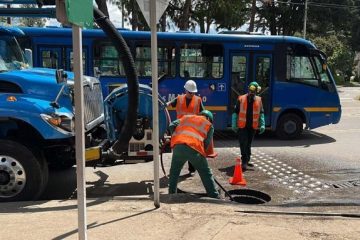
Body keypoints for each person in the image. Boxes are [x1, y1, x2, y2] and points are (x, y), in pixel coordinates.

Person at [168, 110, 220, 199]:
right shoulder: (209, 125)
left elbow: (171, 125)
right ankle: (214, 195)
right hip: (194, 149)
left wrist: (175, 136)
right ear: (209, 119)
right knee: (205, 173)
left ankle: (171, 194)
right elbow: (207, 143)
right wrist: (202, 153)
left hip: (178, 147)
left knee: (174, 172)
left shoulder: (186, 117)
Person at [167, 80, 205, 175]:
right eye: (190, 92)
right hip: (180, 130)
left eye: (193, 92)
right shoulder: (178, 98)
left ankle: (191, 169)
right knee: (179, 150)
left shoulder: (198, 100)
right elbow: (169, 104)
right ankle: (175, 170)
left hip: (192, 130)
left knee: (192, 149)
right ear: (185, 90)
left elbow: (202, 112)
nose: (191, 94)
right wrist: (165, 104)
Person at [232, 82, 265, 171]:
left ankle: (247, 159)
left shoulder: (259, 100)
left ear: (256, 92)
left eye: (253, 92)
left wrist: (262, 124)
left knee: (249, 144)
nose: (251, 93)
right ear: (248, 89)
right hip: (242, 126)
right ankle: (244, 161)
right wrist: (234, 124)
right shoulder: (241, 99)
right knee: (243, 143)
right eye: (250, 91)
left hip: (252, 126)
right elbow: (235, 112)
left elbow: (261, 113)